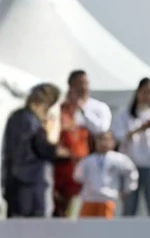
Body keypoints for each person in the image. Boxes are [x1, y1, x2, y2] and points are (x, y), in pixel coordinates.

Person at [1, 83, 66, 218]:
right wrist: (50, 134)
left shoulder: (15, 117)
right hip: (33, 183)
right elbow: (42, 148)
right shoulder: (33, 122)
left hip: (13, 182)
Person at [112, 77, 150, 217]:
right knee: (129, 206)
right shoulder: (125, 113)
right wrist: (140, 128)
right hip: (130, 163)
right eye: (144, 92)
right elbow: (118, 137)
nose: (147, 96)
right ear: (138, 92)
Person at [54, 69, 112, 217]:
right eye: (78, 84)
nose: (83, 87)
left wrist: (82, 109)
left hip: (91, 164)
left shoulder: (98, 108)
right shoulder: (62, 109)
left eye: (85, 83)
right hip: (65, 167)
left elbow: (101, 130)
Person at [75, 131, 139, 220]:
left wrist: (126, 190)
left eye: (106, 140)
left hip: (109, 198)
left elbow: (131, 173)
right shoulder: (88, 160)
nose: (103, 143)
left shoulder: (120, 159)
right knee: (86, 226)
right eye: (100, 140)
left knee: (107, 227)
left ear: (112, 142)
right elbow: (78, 176)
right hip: (90, 198)